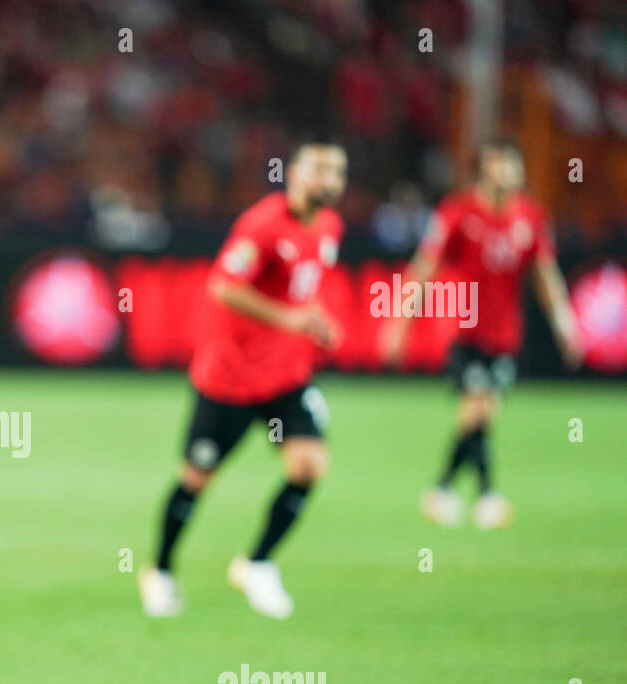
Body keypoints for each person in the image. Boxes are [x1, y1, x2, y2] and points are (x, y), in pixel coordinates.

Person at [140, 141, 346, 620]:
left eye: (336, 171)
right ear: (293, 174)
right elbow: (224, 286)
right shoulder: (263, 225)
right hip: (229, 379)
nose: (329, 179)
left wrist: (314, 321)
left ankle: (256, 563)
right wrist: (290, 319)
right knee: (196, 478)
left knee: (309, 465)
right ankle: (161, 569)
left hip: (287, 377)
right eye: (318, 169)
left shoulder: (330, 227)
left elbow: (301, 293)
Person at [383, 139, 581, 528]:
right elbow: (424, 267)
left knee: (480, 415)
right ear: (483, 171)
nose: (505, 174)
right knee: (479, 407)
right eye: (497, 166)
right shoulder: (457, 213)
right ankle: (487, 495)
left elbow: (544, 274)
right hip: (464, 327)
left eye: (511, 166)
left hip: (506, 334)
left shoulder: (530, 216)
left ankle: (442, 489)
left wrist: (564, 324)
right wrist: (399, 320)